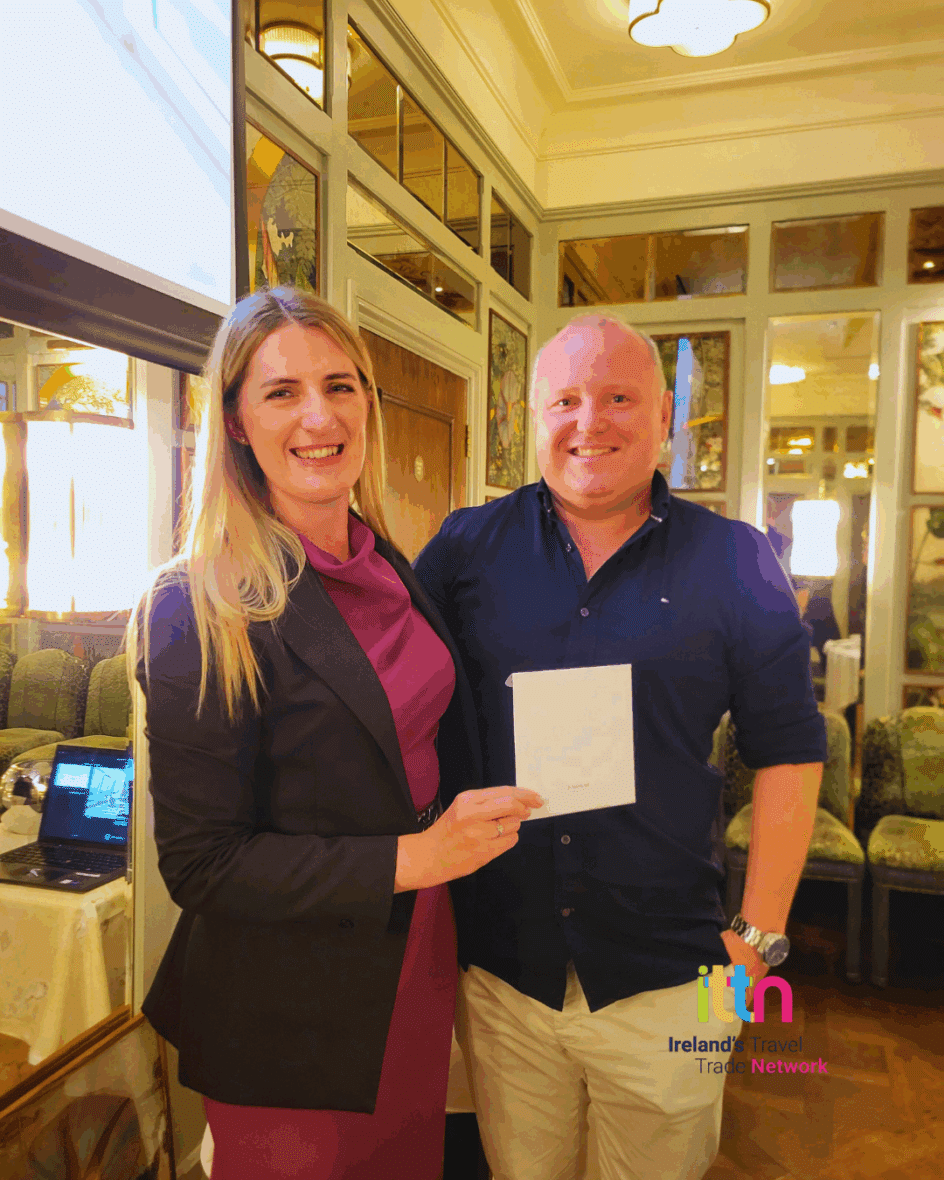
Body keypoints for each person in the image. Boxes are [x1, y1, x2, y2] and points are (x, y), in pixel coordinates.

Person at [129, 286, 541, 1180]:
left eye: (339, 385)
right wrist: (417, 857)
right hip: (292, 1011)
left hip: (412, 958)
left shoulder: (385, 557)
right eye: (281, 392)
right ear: (235, 422)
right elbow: (203, 864)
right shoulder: (197, 603)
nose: (319, 416)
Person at [414, 314, 828, 1180]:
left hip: (672, 970)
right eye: (564, 400)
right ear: (532, 417)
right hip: (504, 973)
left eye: (617, 398)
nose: (588, 422)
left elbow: (788, 752)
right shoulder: (463, 549)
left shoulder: (737, 560)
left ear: (665, 415)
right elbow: (404, 703)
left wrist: (757, 944)